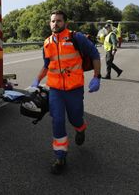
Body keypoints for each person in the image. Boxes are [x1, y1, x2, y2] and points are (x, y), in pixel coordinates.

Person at [31, 10, 102, 175]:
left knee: (75, 118)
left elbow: (94, 54)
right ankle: (60, 156)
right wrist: (37, 80)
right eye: (53, 21)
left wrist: (97, 77)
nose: (55, 24)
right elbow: (47, 64)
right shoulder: (47, 42)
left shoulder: (76, 38)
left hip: (74, 89)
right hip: (55, 90)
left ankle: (80, 128)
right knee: (57, 121)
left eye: (59, 21)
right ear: (50, 23)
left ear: (65, 23)